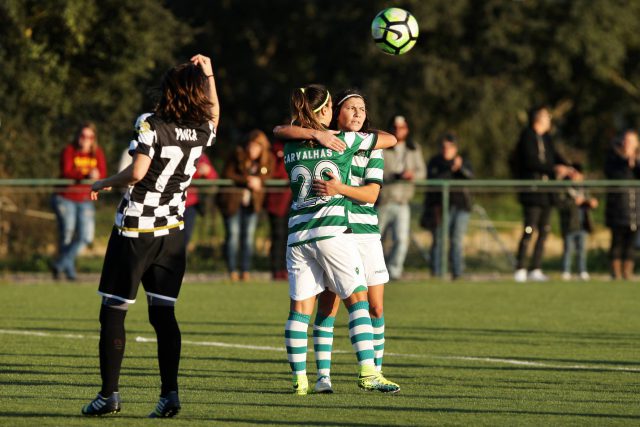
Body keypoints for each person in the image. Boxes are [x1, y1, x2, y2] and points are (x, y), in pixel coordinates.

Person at [82, 54, 219, 418]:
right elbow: (215, 114)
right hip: (174, 231)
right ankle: (169, 395)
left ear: (170, 91)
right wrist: (209, 73)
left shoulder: (150, 123)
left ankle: (109, 396)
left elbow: (137, 171)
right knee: (164, 314)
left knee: (113, 310)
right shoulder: (204, 128)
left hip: (136, 229)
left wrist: (105, 182)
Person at [273, 84, 399, 395]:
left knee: (299, 310)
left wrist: (312, 133)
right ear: (329, 112)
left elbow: (280, 130)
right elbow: (392, 138)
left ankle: (300, 381)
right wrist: (324, 138)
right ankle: (368, 372)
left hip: (298, 235)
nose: (357, 113)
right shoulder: (343, 141)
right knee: (357, 300)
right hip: (331, 231)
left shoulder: (291, 145)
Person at [512, 105, 576, 282]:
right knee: (529, 228)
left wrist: (570, 168)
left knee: (545, 230)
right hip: (532, 191)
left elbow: (555, 156)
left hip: (548, 193)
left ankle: (536, 267)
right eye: (547, 117)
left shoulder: (547, 138)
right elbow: (530, 162)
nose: (550, 121)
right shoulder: (527, 137)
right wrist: (553, 169)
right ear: (539, 119)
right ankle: (520, 266)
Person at [51, 122, 107, 281]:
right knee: (67, 235)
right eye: (83, 135)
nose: (86, 139)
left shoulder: (97, 153)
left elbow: (103, 174)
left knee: (85, 237)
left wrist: (97, 176)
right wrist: (86, 175)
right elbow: (66, 171)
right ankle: (69, 273)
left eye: (90, 136)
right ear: (78, 136)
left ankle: (60, 264)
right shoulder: (69, 150)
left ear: (94, 138)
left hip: (85, 198)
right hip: (65, 197)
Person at [217, 130, 273, 281]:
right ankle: (232, 270)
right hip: (233, 202)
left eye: (256, 147)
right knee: (233, 236)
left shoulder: (267, 160)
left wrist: (259, 181)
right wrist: (246, 180)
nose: (252, 150)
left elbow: (269, 175)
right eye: (251, 146)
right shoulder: (237, 155)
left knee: (248, 238)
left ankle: (246, 270)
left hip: (252, 204)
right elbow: (227, 174)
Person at [376, 115, 426, 280]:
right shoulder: (382, 146)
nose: (398, 131)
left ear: (407, 129)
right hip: (384, 199)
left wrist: (411, 175)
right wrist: (392, 175)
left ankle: (394, 271)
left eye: (402, 127)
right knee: (376, 239)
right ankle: (376, 271)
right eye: (395, 127)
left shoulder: (413, 148)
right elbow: (375, 170)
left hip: (403, 201)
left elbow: (422, 172)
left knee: (401, 240)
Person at [423, 132, 473, 279]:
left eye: (450, 147)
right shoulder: (435, 162)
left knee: (457, 240)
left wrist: (460, 168)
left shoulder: (463, 161)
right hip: (440, 206)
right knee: (439, 239)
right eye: (444, 147)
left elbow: (470, 177)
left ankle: (457, 272)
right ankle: (437, 272)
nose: (447, 149)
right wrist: (450, 169)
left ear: (455, 148)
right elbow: (433, 180)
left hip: (461, 207)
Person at [604, 129, 640, 280]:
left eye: (631, 141)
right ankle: (616, 273)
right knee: (617, 241)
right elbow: (611, 174)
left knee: (631, 243)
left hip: (635, 208)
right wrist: (626, 162)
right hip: (618, 207)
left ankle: (628, 272)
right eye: (626, 140)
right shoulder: (614, 158)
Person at [558, 165, 598, 281]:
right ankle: (566, 271)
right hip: (569, 223)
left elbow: (589, 202)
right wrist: (573, 202)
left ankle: (582, 271)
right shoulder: (565, 187)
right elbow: (560, 203)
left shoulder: (584, 188)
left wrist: (592, 203)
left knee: (582, 250)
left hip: (583, 224)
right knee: (568, 250)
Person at [265, 138, 292, 280]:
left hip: (289, 200)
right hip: (276, 201)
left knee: (288, 237)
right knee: (278, 236)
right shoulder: (275, 152)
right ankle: (276, 269)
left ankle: (284, 269)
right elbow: (270, 172)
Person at [184, 153, 218, 248]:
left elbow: (213, 178)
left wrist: (208, 171)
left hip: (190, 204)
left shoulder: (200, 156)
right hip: (170, 203)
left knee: (185, 236)